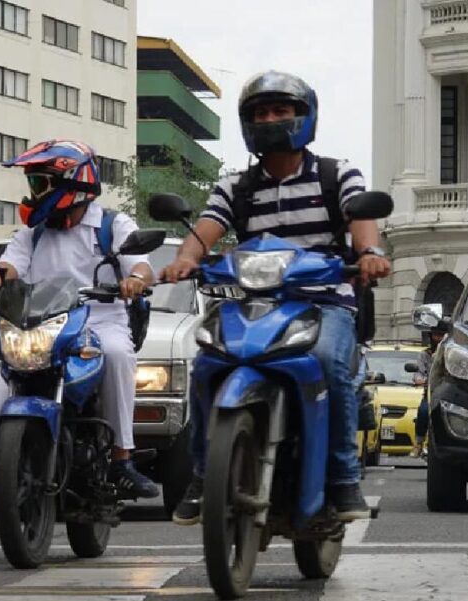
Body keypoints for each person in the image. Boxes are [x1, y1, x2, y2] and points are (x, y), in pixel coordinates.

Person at [161, 71, 391, 525]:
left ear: (304, 118)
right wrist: (184, 259)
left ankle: (343, 479)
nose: (270, 119)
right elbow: (204, 232)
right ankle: (205, 475)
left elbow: (362, 222)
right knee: (208, 364)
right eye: (260, 112)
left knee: (327, 362)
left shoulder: (336, 173)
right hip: (252, 303)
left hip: (325, 301)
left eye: (281, 110)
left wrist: (369, 253)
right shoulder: (234, 186)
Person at [0, 139, 158, 559]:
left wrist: (135, 278)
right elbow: (8, 268)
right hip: (41, 329)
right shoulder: (33, 233)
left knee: (118, 355)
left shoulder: (111, 225)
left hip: (98, 324)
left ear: (72, 184)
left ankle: (121, 456)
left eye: (41, 182)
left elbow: (142, 263)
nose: (33, 192)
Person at [411, 329, 445, 457]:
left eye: (442, 335)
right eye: (436, 335)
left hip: (449, 393)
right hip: (431, 393)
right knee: (424, 411)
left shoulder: (452, 354)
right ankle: (418, 443)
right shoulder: (424, 355)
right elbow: (419, 371)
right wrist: (419, 379)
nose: (439, 339)